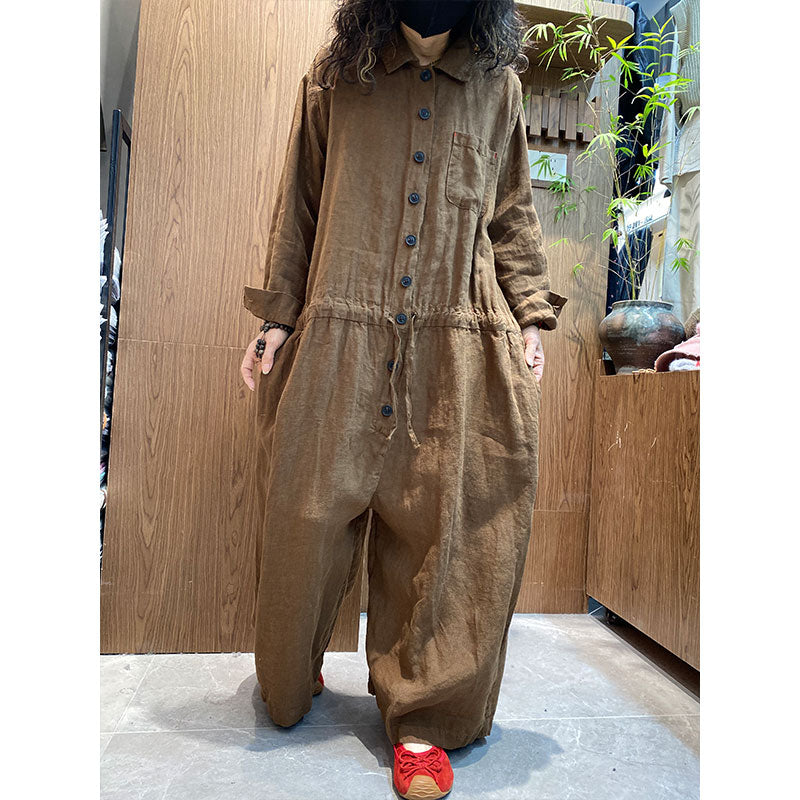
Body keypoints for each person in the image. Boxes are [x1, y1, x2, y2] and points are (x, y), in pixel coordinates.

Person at [239, 1, 568, 797]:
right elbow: (300, 203)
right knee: (303, 514)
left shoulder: (496, 86)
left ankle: (425, 716)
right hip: (338, 328)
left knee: (445, 532)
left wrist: (529, 314)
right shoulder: (335, 76)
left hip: (456, 342)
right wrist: (278, 319)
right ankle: (293, 669)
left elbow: (511, 213)